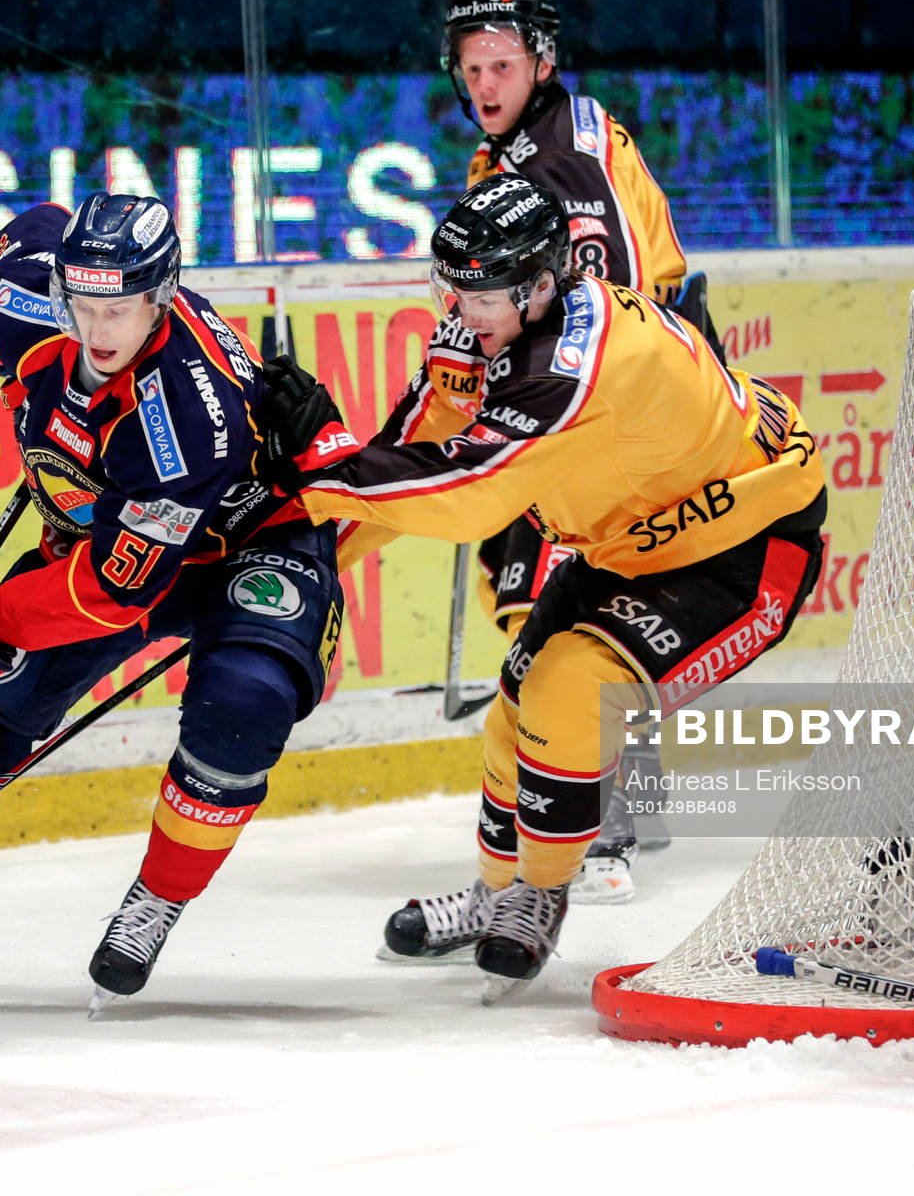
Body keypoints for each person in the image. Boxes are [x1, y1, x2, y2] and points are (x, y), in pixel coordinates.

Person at [261, 174, 828, 998]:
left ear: (538, 286)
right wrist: (296, 554)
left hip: (745, 543)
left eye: (479, 296)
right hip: (634, 539)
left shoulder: (575, 365)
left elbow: (467, 497)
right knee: (513, 711)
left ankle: (541, 894)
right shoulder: (492, 325)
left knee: (571, 687)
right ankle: (496, 896)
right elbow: (409, 450)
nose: (460, 314)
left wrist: (323, 464)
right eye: (450, 290)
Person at [0, 193, 342, 1012]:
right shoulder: (26, 294)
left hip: (249, 538)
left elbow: (115, 591)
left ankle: (157, 899)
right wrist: (22, 386)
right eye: (82, 304)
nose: (97, 329)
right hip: (109, 537)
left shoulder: (185, 417)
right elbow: (30, 230)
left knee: (244, 705)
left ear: (162, 296)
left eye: (119, 310)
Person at [441, 0, 710, 903]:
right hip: (633, 389)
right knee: (576, 588)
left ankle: (606, 832)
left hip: (618, 405)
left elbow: (602, 313)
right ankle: (633, 798)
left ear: (542, 62)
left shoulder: (557, 163)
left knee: (557, 600)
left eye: (502, 64)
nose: (484, 82)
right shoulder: (533, 139)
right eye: (473, 66)